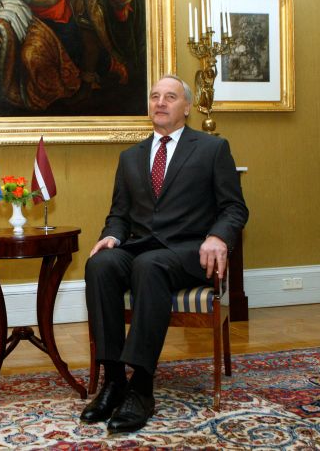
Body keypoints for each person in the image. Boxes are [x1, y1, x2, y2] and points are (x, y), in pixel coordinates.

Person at [81, 75, 249, 433]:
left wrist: (218, 236)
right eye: (155, 96)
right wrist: (111, 236)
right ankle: (114, 379)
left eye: (170, 97)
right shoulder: (130, 157)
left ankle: (142, 386)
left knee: (149, 265)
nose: (160, 102)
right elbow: (118, 215)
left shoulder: (211, 149)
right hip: (141, 246)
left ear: (186, 107)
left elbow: (234, 208)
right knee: (100, 264)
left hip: (189, 252)